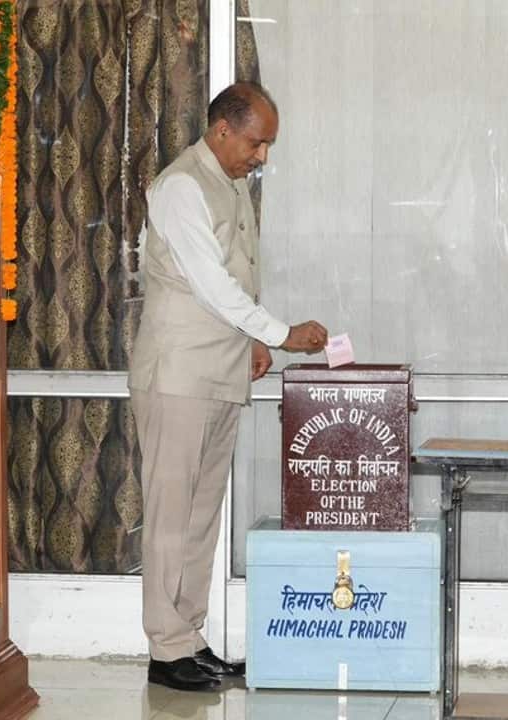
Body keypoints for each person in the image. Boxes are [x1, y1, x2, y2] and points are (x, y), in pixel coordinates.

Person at [129, 81, 328, 692]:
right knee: (170, 513)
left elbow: (235, 278)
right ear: (221, 130)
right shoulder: (181, 185)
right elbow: (210, 283)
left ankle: (189, 638)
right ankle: (166, 650)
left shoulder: (232, 182)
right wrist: (282, 332)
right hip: (179, 373)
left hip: (220, 370)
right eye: (256, 142)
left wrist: (253, 343)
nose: (262, 155)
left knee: (200, 514)